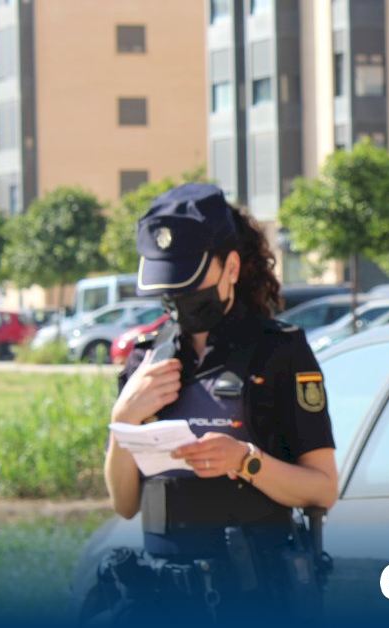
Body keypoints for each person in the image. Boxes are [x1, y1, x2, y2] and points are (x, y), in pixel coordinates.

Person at [89, 184, 339, 624]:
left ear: (232, 268)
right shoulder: (146, 359)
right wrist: (123, 416)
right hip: (164, 604)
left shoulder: (281, 352)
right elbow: (125, 504)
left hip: (254, 599)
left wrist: (245, 461)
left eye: (191, 283)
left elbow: (323, 488)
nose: (181, 299)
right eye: (171, 286)